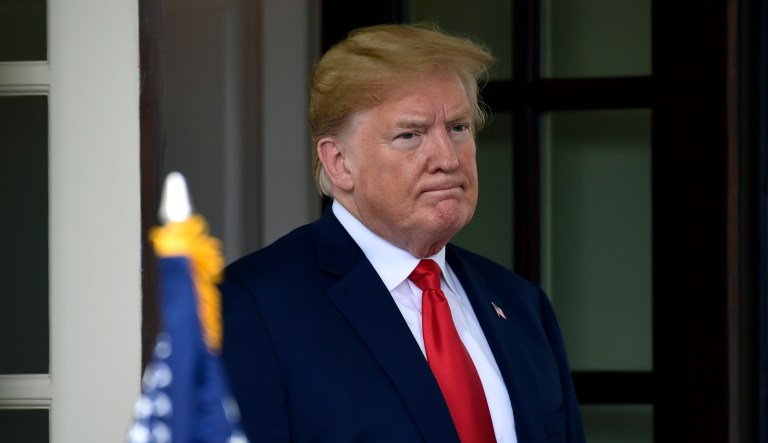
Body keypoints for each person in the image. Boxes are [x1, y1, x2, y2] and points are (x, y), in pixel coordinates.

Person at [220, 23, 585, 443]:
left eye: (458, 128)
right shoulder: (253, 306)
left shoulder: (521, 305)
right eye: (410, 135)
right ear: (339, 163)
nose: (447, 159)